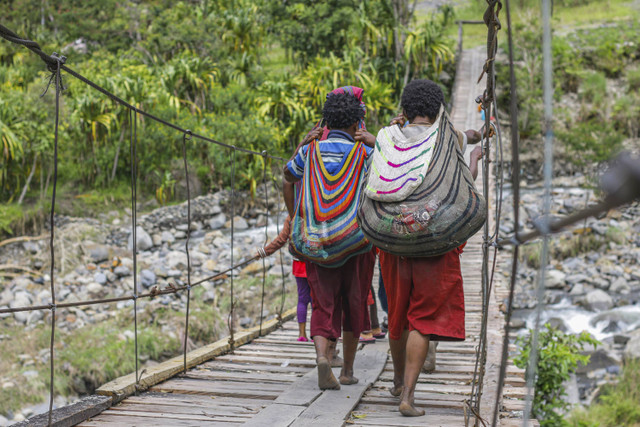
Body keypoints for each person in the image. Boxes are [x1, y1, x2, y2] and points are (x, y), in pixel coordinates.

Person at [357, 79, 485, 416]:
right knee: (423, 319)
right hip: (434, 241)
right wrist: (477, 150)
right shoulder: (449, 138)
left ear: (406, 109)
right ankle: (408, 397)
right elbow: (463, 183)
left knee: (397, 316)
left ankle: (397, 381)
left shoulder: (387, 137)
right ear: (438, 109)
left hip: (392, 241)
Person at [283, 91, 375, 390]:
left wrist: (304, 143)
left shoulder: (310, 151)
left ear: (327, 121)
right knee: (354, 303)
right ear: (356, 123)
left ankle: (323, 358)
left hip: (317, 242)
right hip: (355, 242)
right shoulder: (364, 153)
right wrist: (376, 142)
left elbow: (288, 173)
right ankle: (347, 370)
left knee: (322, 304)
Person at [256, 211, 311, 342]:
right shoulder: (315, 211)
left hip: (298, 262)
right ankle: (317, 335)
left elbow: (281, 240)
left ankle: (302, 334)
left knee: (302, 298)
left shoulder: (292, 216)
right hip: (315, 262)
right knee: (317, 300)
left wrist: (263, 252)